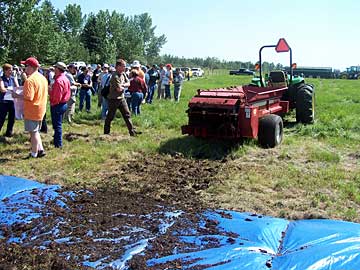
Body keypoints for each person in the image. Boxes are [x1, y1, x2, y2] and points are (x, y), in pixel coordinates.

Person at [20, 57, 48, 158]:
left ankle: (34, 153)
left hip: (32, 110)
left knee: (33, 133)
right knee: (36, 131)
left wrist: (16, 95)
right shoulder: (43, 78)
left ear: (30, 67)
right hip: (41, 109)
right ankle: (40, 149)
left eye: (26, 66)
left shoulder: (29, 80)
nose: (24, 69)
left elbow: (29, 97)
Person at [104, 59, 139, 136]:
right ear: (118, 66)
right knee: (110, 116)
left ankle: (132, 132)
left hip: (121, 98)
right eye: (123, 66)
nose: (125, 67)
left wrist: (123, 85)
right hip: (113, 99)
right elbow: (119, 89)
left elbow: (128, 83)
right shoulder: (115, 76)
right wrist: (123, 86)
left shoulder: (123, 74)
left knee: (127, 114)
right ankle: (106, 133)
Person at [49, 62, 70, 148]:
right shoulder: (65, 79)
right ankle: (57, 141)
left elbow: (57, 97)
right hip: (63, 104)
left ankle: (58, 144)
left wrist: (51, 98)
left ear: (58, 69)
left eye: (55, 68)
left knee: (57, 126)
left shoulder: (58, 81)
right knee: (58, 124)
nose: (54, 69)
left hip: (57, 104)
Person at [0, 64, 19, 137]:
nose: (11, 71)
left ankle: (9, 133)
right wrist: (11, 90)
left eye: (12, 69)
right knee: (1, 118)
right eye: (10, 70)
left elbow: (17, 87)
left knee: (12, 118)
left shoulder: (13, 78)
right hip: (3, 102)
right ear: (5, 70)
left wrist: (11, 89)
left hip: (12, 102)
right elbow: (2, 89)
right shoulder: (1, 79)